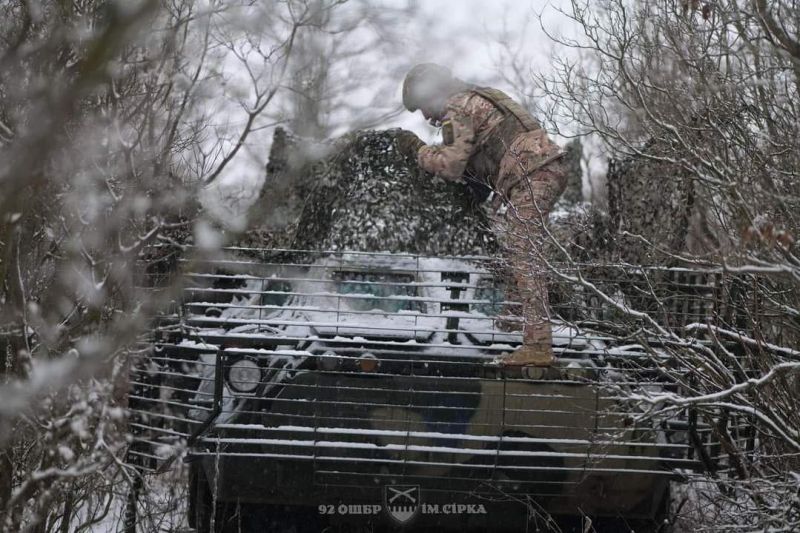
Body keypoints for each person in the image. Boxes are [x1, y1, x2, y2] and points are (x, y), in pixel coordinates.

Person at [397, 63, 567, 367]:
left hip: (530, 174)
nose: (425, 115)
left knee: (524, 256)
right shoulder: (479, 97)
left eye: (423, 105)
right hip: (535, 171)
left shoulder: (457, 105)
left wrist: (419, 150)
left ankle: (538, 346)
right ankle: (513, 322)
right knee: (512, 251)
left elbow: (450, 165)